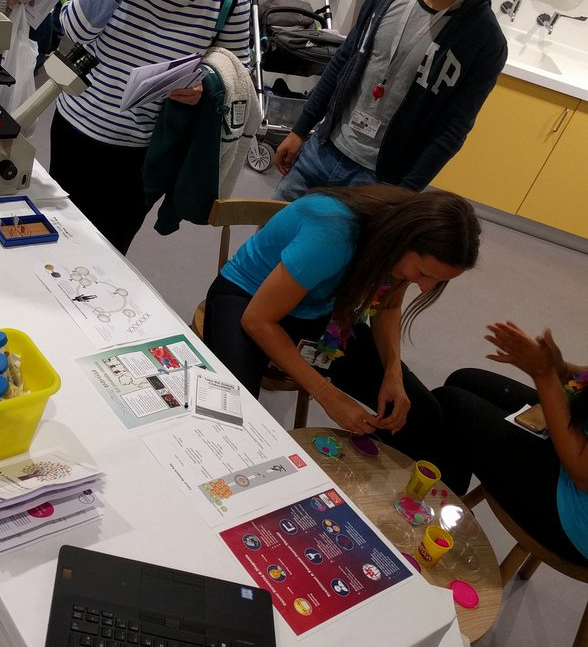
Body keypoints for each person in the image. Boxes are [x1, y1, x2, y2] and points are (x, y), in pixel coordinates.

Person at [49, 0, 250, 254]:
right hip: (78, 128)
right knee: (51, 239)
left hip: (143, 153)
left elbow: (234, 74)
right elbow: (72, 27)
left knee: (104, 254)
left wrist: (203, 87)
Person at [273, 0, 519, 200]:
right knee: (267, 238)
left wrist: (403, 195)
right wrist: (300, 129)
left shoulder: (484, 41)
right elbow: (343, 60)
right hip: (323, 147)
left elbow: (452, 130)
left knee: (329, 249)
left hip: (377, 182)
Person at [202, 186, 479, 461]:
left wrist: (392, 371)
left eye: (439, 281)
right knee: (232, 418)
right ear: (402, 238)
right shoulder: (334, 233)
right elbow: (257, 320)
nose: (425, 286)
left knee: (421, 414)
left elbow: (389, 306)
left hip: (318, 310)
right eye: (422, 273)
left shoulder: (396, 247)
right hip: (247, 298)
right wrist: (326, 394)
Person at [434, 325, 588, 561]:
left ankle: (434, 515)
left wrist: (544, 375)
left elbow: (581, 472)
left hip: (572, 515)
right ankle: (445, 498)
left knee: (451, 404)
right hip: (578, 435)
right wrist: (562, 370)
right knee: (464, 380)